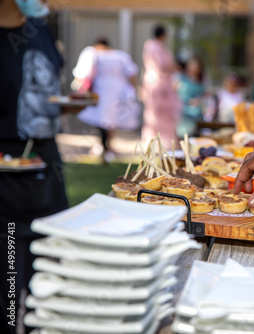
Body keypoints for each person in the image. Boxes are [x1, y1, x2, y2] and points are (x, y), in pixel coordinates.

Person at [0, 0, 68, 332]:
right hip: (6, 192)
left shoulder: (39, 24)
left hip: (47, 180)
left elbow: (49, 88)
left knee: (50, 296)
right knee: (11, 299)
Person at [73, 37, 139, 161]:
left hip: (102, 91)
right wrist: (133, 88)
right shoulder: (121, 56)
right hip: (118, 91)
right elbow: (132, 72)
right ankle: (107, 146)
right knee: (110, 120)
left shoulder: (94, 53)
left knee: (103, 120)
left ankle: (105, 147)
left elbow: (83, 73)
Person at [141, 24, 182, 146]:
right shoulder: (156, 47)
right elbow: (162, 66)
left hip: (155, 83)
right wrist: (176, 67)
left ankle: (155, 142)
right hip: (159, 85)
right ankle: (162, 143)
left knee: (154, 114)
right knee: (160, 115)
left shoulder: (150, 46)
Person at [175, 55, 205, 137]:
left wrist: (199, 100)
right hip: (182, 110)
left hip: (196, 112)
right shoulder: (180, 78)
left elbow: (203, 95)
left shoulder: (200, 81)